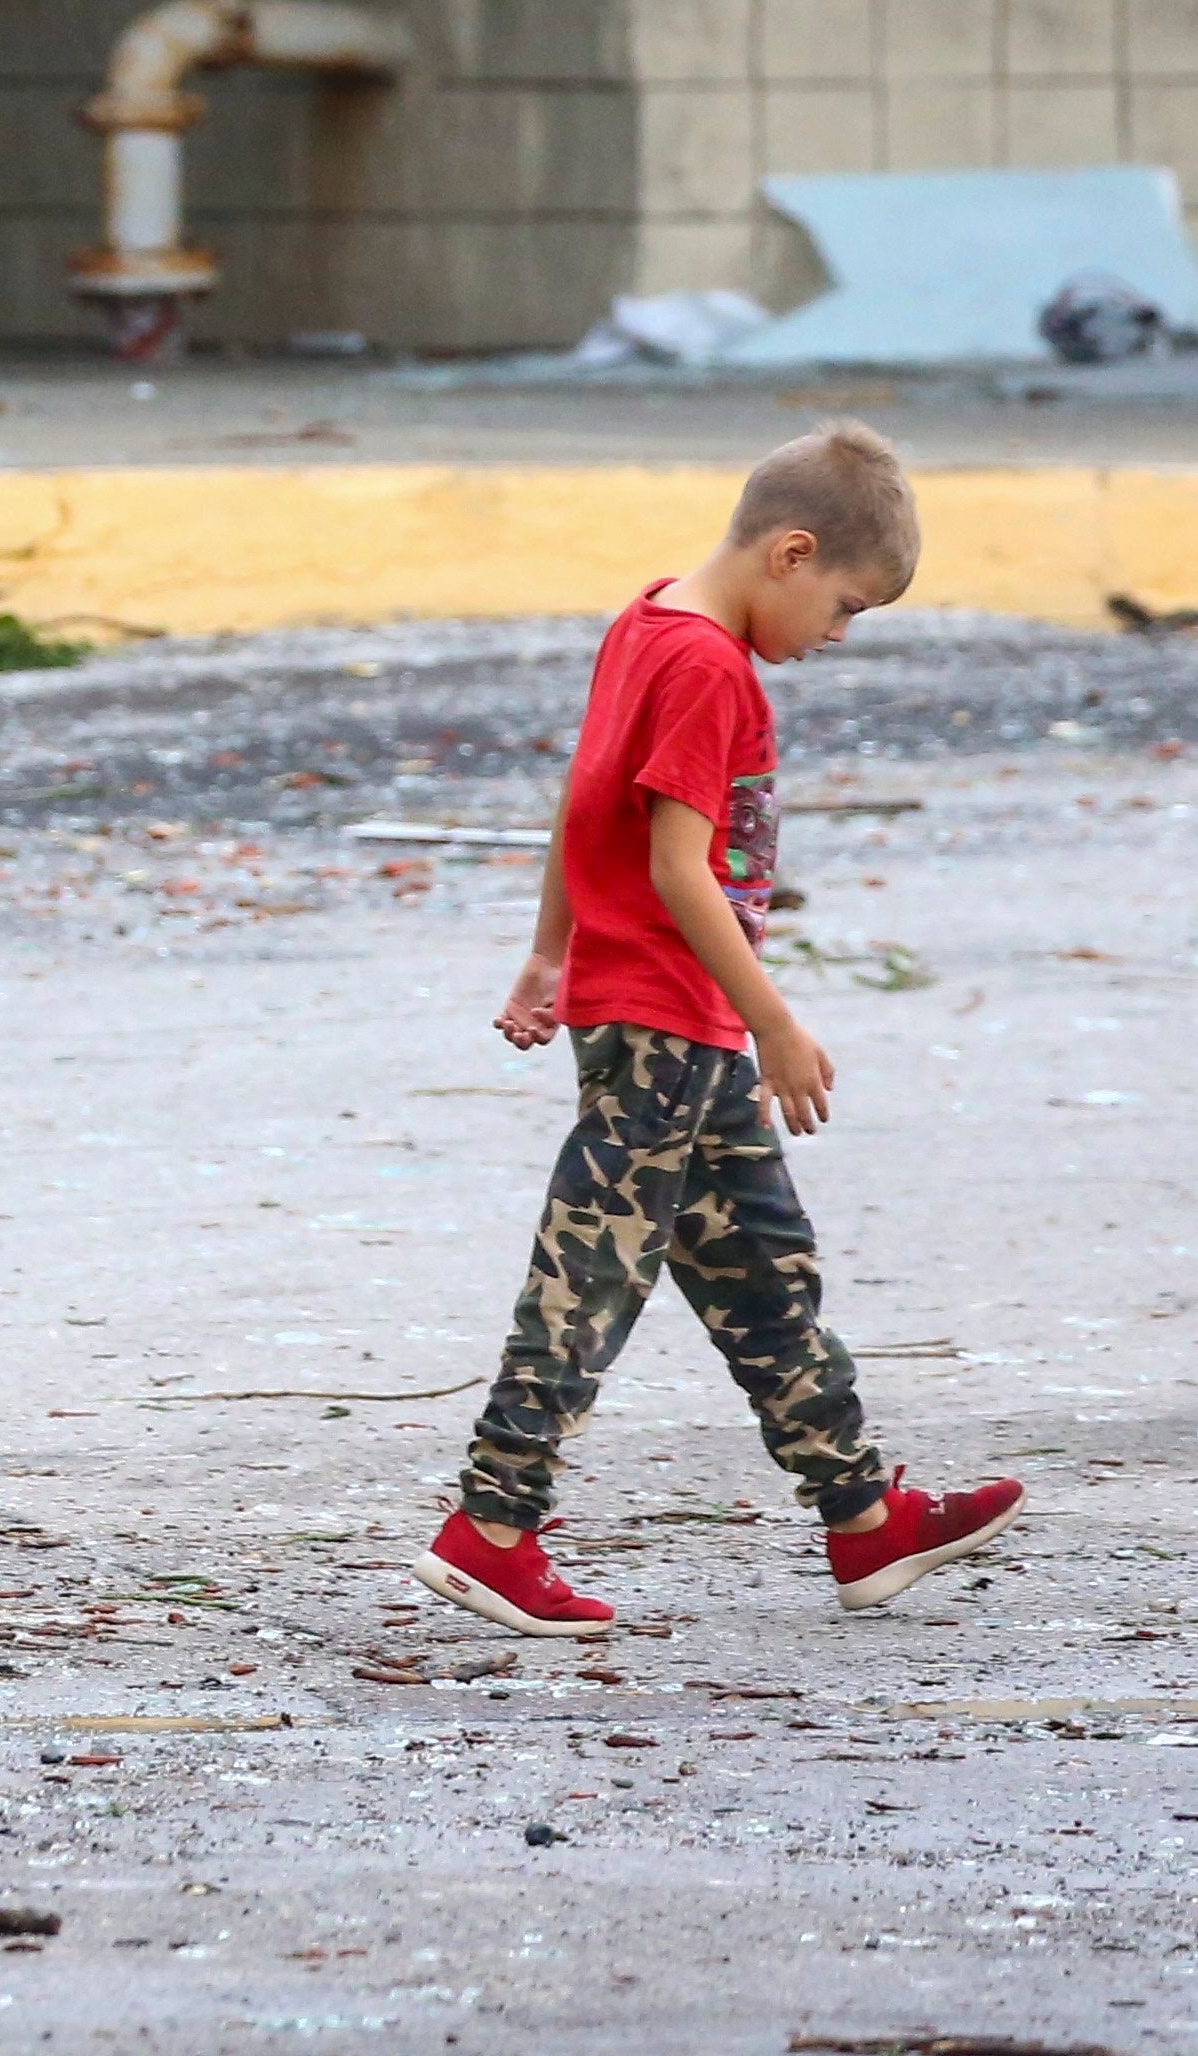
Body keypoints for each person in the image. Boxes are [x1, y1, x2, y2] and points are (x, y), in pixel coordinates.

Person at [416, 422, 1024, 1637]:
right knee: (590, 1271)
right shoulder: (709, 667)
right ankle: (492, 1526)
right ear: (792, 553)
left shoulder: (647, 620)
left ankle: (864, 1517)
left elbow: (582, 798)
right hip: (668, 1016)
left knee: (762, 1266)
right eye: (845, 606)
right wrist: (776, 1021)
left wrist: (548, 949)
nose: (838, 636)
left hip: (672, 1012)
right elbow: (677, 866)